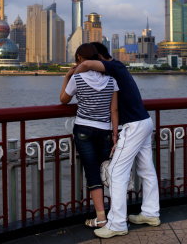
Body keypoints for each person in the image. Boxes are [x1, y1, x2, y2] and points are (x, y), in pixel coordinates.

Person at [75, 42, 160, 239]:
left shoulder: (115, 66)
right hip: (145, 122)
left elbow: (87, 65)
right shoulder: (118, 70)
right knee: (146, 169)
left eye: (95, 58)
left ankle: (117, 223)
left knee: (115, 171)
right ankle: (150, 213)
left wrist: (74, 70)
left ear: (99, 56)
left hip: (134, 126)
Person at [60, 43, 119, 228]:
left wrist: (68, 75)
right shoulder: (111, 80)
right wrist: (115, 135)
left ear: (79, 58)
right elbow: (114, 110)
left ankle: (101, 218)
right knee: (109, 170)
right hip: (105, 131)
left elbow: (63, 99)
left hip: (84, 129)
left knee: (93, 172)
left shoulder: (77, 79)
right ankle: (118, 213)